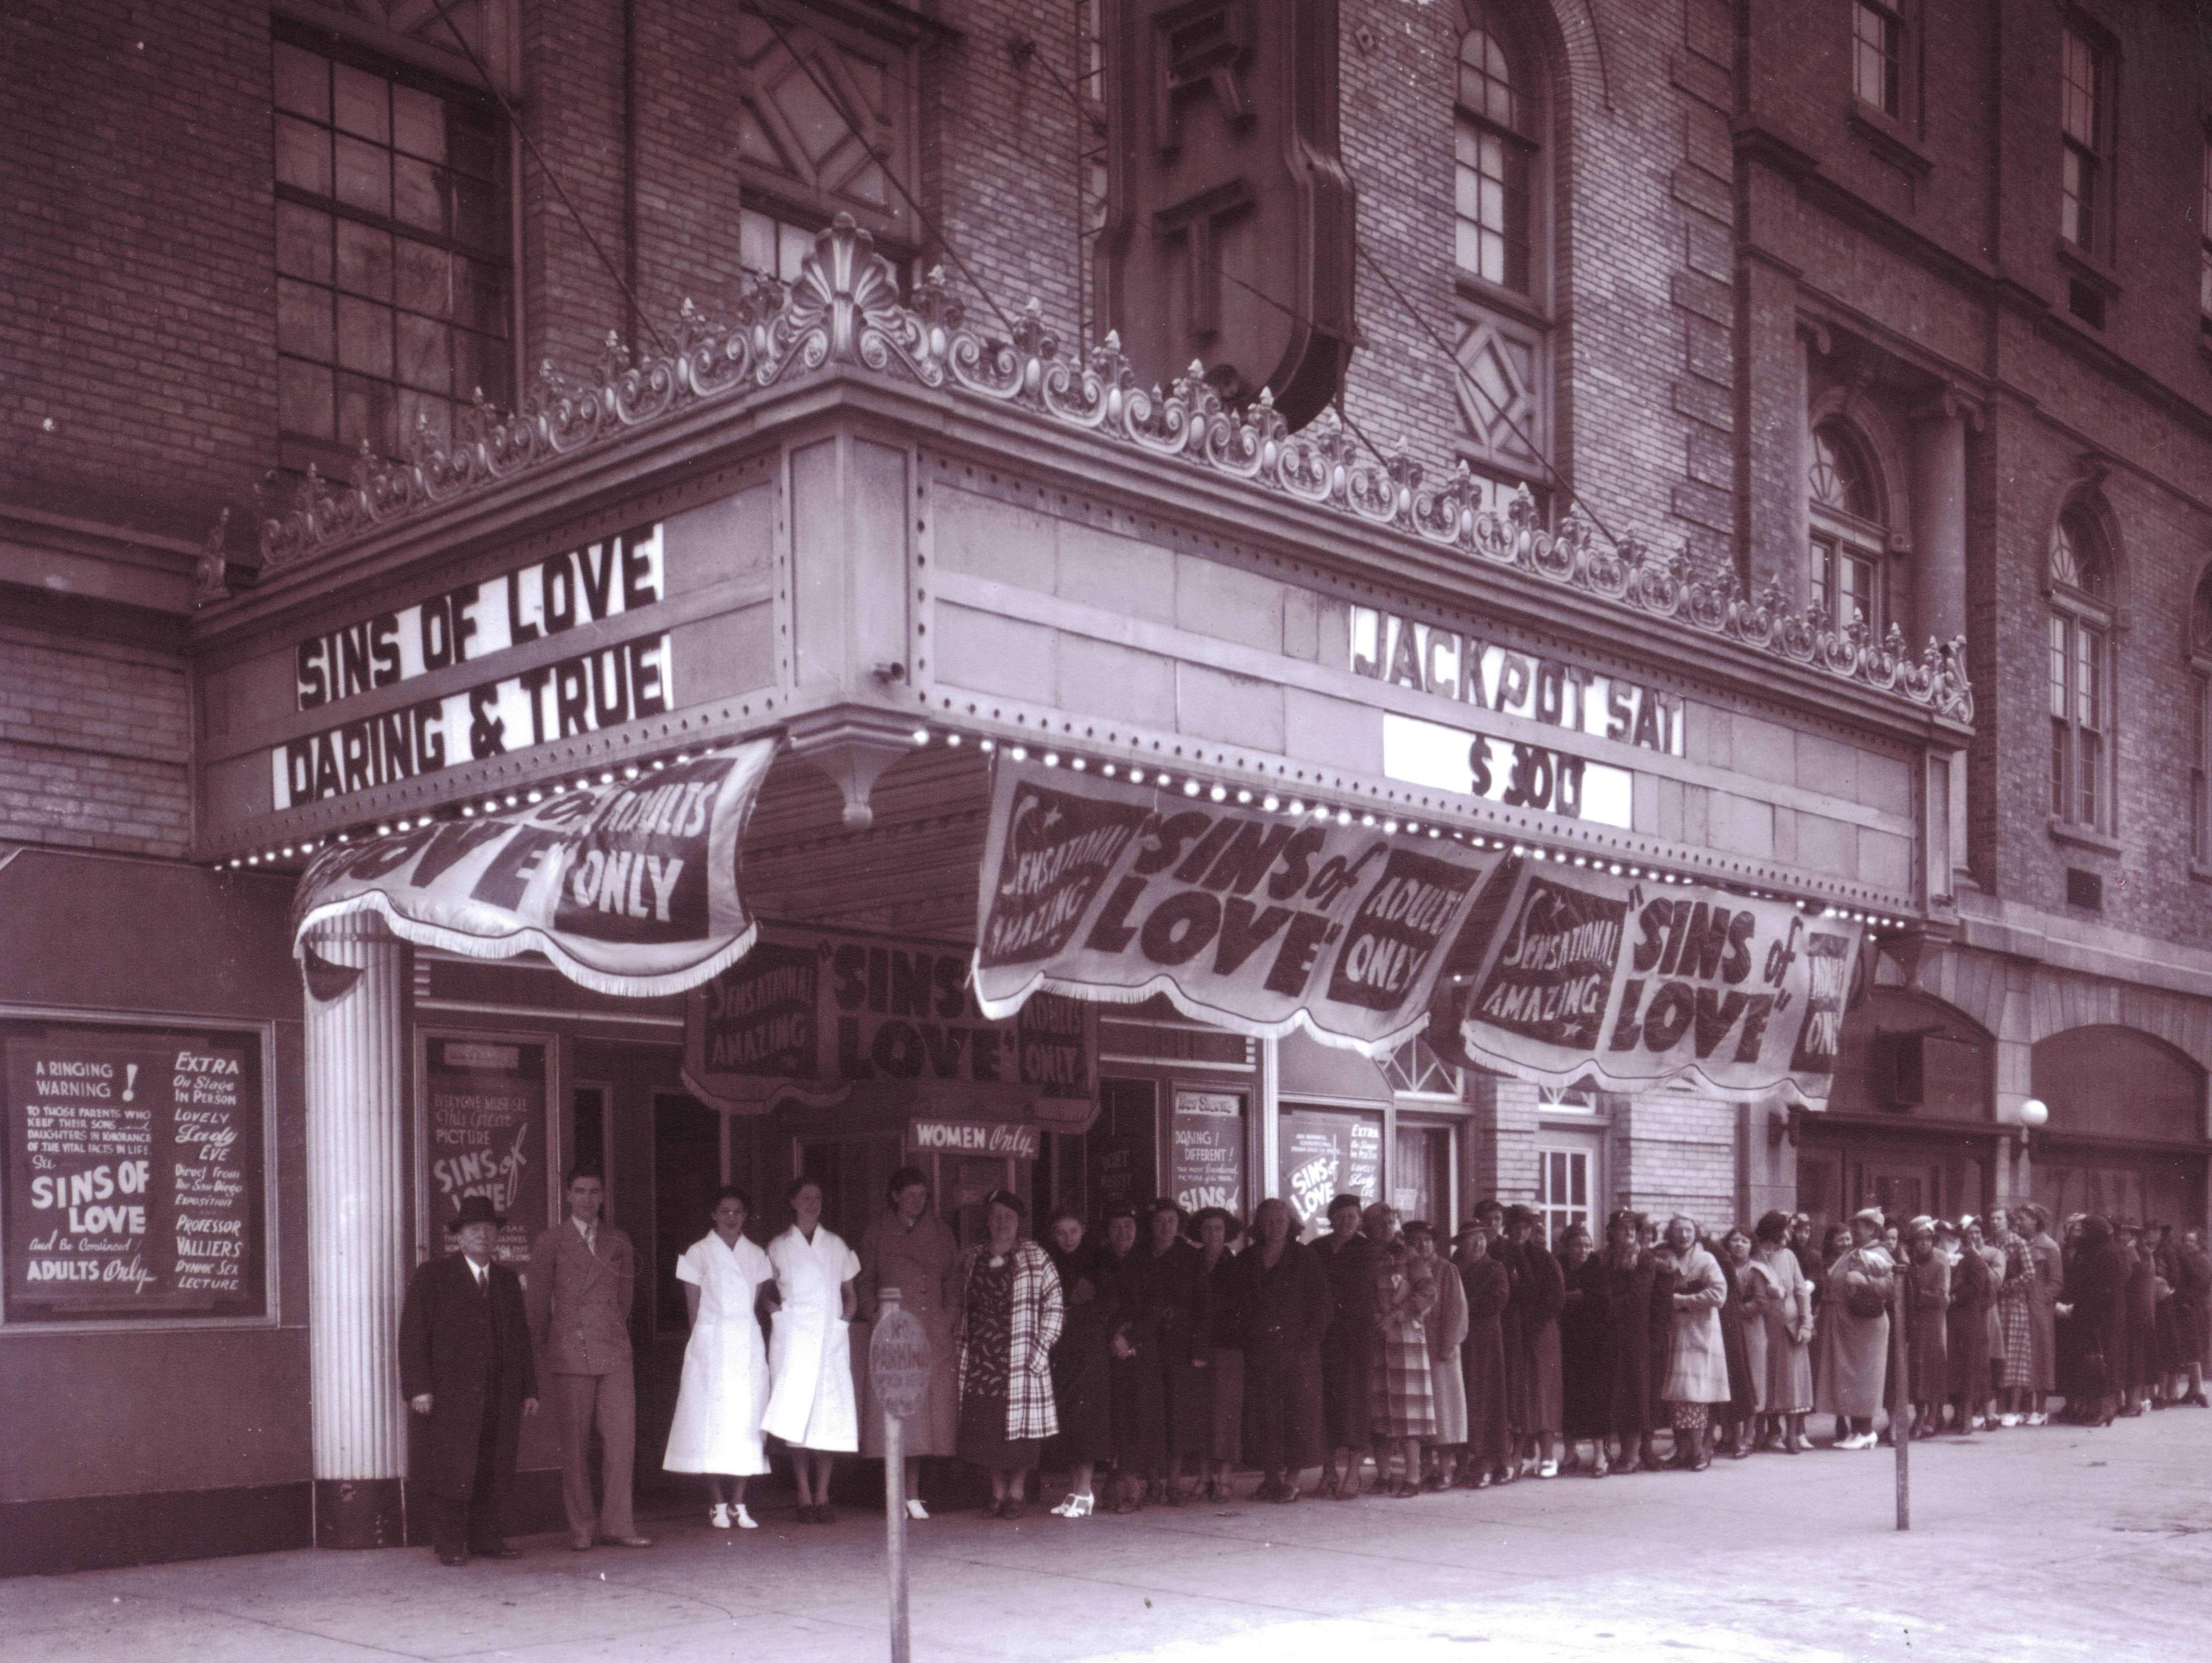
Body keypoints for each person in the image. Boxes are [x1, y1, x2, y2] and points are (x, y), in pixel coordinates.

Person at [399, 1194, 539, 1566]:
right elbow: (413, 1335)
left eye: (489, 1229)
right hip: (451, 1395)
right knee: (451, 1467)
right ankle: (449, 1543)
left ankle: (487, 1539)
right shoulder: (434, 1277)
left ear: (497, 1237)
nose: (482, 1235)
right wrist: (419, 1388)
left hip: (500, 1393)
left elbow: (521, 1338)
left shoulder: (507, 1281)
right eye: (474, 1229)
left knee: (492, 1465)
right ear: (459, 1237)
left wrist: (529, 1389)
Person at [526, 1168, 649, 1551]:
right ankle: (581, 1528)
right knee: (575, 1446)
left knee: (621, 1441)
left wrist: (607, 1328)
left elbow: (625, 1299)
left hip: (612, 1351)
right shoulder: (551, 1241)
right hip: (568, 1352)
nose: (587, 1199)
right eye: (579, 1191)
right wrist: (545, 1354)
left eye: (595, 1191)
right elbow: (536, 1307)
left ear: (603, 1196)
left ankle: (618, 1524)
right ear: (567, 1195)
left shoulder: (619, 1240)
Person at [662, 1185, 773, 1530]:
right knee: (710, 1421)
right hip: (710, 1343)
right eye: (724, 1211)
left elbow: (754, 1301)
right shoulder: (697, 1253)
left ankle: (740, 1501)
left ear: (745, 1215)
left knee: (745, 1420)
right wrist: (704, 1344)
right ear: (714, 1214)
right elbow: (692, 1308)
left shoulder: (756, 1254)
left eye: (737, 1211)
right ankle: (717, 1503)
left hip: (746, 1344)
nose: (731, 1217)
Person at [856, 1167, 959, 1521]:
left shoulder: (942, 1232)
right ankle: (894, 1494)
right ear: (895, 1196)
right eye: (911, 1194)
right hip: (895, 1333)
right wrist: (876, 1317)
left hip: (930, 1331)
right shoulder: (878, 1232)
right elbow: (863, 1282)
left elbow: (953, 1282)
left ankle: (914, 1494)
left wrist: (948, 1318)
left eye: (923, 1195)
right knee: (897, 1414)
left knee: (923, 1417)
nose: (918, 1201)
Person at [956, 1191, 1064, 1519]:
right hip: (981, 1358)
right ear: (987, 1221)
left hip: (1020, 1358)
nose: (1002, 1222)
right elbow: (961, 1303)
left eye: (1009, 1217)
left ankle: (1016, 1494)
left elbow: (1055, 1306)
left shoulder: (1037, 1257)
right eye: (996, 1216)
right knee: (987, 1428)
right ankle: (997, 1493)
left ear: (1019, 1223)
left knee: (1020, 1435)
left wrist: (1041, 1348)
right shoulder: (973, 1256)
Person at [764, 1176, 861, 1523]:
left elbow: (851, 1294)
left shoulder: (836, 1244)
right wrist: (779, 1316)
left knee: (827, 1417)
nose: (812, 1203)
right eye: (806, 1197)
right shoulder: (778, 1246)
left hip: (829, 1337)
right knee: (798, 1419)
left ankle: (824, 1494)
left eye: (817, 1197)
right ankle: (804, 1495)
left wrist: (842, 1323)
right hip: (793, 1338)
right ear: (792, 1202)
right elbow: (764, 1290)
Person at [1234, 1197, 1330, 1503]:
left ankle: (1292, 1480)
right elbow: (1235, 1305)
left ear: (1291, 1224)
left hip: (1297, 1352)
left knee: (1297, 1414)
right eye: (1269, 1220)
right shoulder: (1247, 1259)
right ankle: (1270, 1477)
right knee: (1264, 1414)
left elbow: (1322, 1307)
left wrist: (1306, 1343)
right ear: (1259, 1224)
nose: (1274, 1226)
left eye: (1281, 1220)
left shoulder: (1305, 1257)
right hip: (1260, 1351)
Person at [1042, 1208, 1118, 1517]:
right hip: (1062, 1346)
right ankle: (1074, 1490)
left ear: (1083, 1229)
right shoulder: (1050, 1261)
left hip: (1089, 1347)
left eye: (1073, 1230)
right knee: (1070, 1417)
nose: (1068, 1238)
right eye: (1061, 1232)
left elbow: (1110, 1301)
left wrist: (1086, 1310)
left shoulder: (1099, 1259)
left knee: (1087, 1418)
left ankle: (1086, 1491)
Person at [1365, 1203, 1436, 1498]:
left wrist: (1398, 1315)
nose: (1387, 1228)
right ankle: (1383, 1476)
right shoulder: (1365, 1255)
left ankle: (1413, 1478)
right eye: (1380, 1223)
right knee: (1378, 1414)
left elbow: (1429, 1291)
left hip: (1405, 1340)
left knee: (1409, 1415)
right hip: (1374, 1340)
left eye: (1391, 1222)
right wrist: (1371, 1315)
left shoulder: (1409, 1255)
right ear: (1367, 1228)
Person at [1145, 1198, 1212, 1504]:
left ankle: (1173, 1483)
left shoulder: (1190, 1257)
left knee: (1177, 1416)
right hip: (1146, 1344)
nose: (1165, 1228)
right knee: (1151, 1414)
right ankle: (1152, 1483)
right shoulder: (1141, 1254)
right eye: (1160, 1221)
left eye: (1172, 1222)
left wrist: (1199, 1348)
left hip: (1181, 1348)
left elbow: (1204, 1306)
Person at [1101, 1202, 1164, 1512]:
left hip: (1139, 1354)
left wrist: (1129, 1338)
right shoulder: (1099, 1262)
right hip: (1107, 1352)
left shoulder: (1149, 1264)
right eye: (1116, 1227)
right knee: (1112, 1419)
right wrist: (1112, 1336)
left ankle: (1133, 1485)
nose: (1122, 1233)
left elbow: (1155, 1311)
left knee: (1137, 1418)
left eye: (1129, 1226)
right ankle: (1114, 1483)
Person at [1314, 1193, 1377, 1498]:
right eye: (1340, 1217)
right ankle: (1328, 1472)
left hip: (1357, 1339)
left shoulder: (1369, 1250)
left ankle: (1353, 1474)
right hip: (1325, 1338)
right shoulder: (1317, 1249)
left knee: (1355, 1406)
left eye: (1352, 1216)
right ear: (1331, 1219)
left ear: (1360, 1219)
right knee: (1325, 1404)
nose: (1346, 1222)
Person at [1656, 1215, 1729, 1470]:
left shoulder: (1706, 1260)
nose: (1684, 1236)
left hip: (1700, 1333)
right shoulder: (1666, 1258)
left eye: (1689, 1231)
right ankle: (1683, 1449)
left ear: (1696, 1234)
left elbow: (1719, 1294)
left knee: (1694, 1393)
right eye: (1678, 1231)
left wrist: (1682, 1300)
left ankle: (1700, 1451)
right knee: (1678, 1394)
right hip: (1676, 1333)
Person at [1819, 1208, 1894, 1449]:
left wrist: (1867, 1282)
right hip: (1850, 1325)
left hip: (1865, 1325)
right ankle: (1857, 1430)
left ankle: (1866, 1431)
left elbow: (1894, 1287)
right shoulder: (1856, 1252)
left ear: (1872, 1229)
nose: (1853, 1230)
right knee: (1851, 1377)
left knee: (1864, 1377)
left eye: (1858, 1226)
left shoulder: (1879, 1253)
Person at [1502, 1204, 1565, 1477]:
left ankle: (1548, 1453)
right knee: (1519, 1390)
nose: (1521, 1231)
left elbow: (1556, 1297)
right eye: (1516, 1226)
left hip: (1540, 1331)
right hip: (1512, 1330)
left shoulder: (1543, 1258)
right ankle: (1523, 1453)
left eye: (1526, 1226)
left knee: (1542, 1388)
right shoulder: (1500, 1255)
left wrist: (1535, 1321)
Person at [1192, 1206, 1247, 1502]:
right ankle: (1204, 1475)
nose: (1213, 1234)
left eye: (1218, 1229)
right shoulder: (1192, 1263)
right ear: (1199, 1233)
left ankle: (1225, 1476)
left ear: (1226, 1233)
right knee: (1201, 1411)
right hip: (1197, 1348)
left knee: (1227, 1412)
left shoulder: (1237, 1266)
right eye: (1207, 1229)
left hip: (1228, 1347)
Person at [1454, 1218, 1513, 1486]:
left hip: (1486, 1342)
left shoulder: (1495, 1269)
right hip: (1459, 1341)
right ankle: (1463, 1459)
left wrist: (1463, 1307)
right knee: (1461, 1397)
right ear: (1462, 1244)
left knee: (1487, 1397)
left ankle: (1488, 1459)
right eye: (1471, 1239)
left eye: (1482, 1238)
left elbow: (1497, 1300)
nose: (1478, 1243)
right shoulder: (1453, 1269)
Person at [1408, 1221, 1468, 1488]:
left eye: (1427, 1240)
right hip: (1414, 1348)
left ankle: (1445, 1468)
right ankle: (1425, 1466)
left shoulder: (1447, 1269)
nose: (1422, 1245)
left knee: (1444, 1411)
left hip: (1441, 1348)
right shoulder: (1408, 1269)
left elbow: (1457, 1307)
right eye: (1416, 1240)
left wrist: (1449, 1343)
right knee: (1421, 1412)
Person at [1748, 1211, 1813, 1453]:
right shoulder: (1755, 1258)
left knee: (1792, 1382)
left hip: (1790, 1328)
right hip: (1763, 1328)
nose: (1788, 1235)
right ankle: (1764, 1432)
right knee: (1766, 1380)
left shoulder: (1789, 1257)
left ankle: (1793, 1435)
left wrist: (1806, 1324)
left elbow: (1801, 1291)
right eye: (1785, 1230)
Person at [1554, 1221, 1607, 1474]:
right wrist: (1577, 1296)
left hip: (1594, 1343)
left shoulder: (1598, 1268)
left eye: (1588, 1246)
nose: (1584, 1251)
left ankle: (1599, 1456)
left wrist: (1572, 1297)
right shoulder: (1560, 1266)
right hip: (1566, 1340)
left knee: (1595, 1397)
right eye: (1578, 1246)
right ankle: (1570, 1453)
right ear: (1567, 1247)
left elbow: (1601, 1300)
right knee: (1569, 1397)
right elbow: (1555, 1296)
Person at [1900, 1218, 1950, 1440]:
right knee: (1917, 1368)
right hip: (1917, 1323)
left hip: (1934, 1322)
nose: (1924, 1244)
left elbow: (1941, 1298)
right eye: (1920, 1240)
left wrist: (1920, 1295)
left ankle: (1932, 1416)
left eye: (1928, 1240)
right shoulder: (1911, 1266)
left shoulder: (1939, 1265)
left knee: (1934, 1366)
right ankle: (1919, 1415)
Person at [1714, 1226, 1761, 1459]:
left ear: (1752, 1245)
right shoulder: (1722, 1266)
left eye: (1744, 1241)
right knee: (1730, 1380)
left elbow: (1761, 1301)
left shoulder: (1756, 1270)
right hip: (1728, 1330)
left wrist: (1736, 1310)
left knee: (1747, 1383)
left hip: (1751, 1331)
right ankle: (1729, 1436)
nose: (1739, 1245)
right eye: (1735, 1241)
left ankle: (1748, 1437)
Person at [1987, 1206, 2035, 1426]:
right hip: (1996, 1306)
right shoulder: (1989, 1244)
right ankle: (2000, 1406)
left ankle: (2014, 1409)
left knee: (2015, 1356)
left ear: (2008, 1222)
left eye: (1999, 1219)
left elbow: (2029, 1274)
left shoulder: (2019, 1243)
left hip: (2014, 1305)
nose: (1995, 1222)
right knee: (1998, 1354)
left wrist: (2006, 1287)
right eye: (1993, 1219)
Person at [1947, 1216, 1994, 1434]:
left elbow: (1978, 1288)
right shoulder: (1957, 1256)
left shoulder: (1971, 1257)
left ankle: (1969, 1419)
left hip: (1969, 1318)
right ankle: (1978, 1417)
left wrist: (1955, 1298)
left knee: (1970, 1365)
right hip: (1958, 1318)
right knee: (1965, 1366)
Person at [2022, 1202, 2063, 1423]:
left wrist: (2041, 1300)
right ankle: (2027, 1406)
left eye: (2023, 1219)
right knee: (2025, 1356)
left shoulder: (2049, 1246)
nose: (2019, 1223)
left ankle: (2041, 1407)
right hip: (2022, 1307)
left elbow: (2057, 1282)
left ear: (2035, 1221)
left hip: (2040, 1310)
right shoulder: (2021, 1244)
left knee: (2042, 1355)